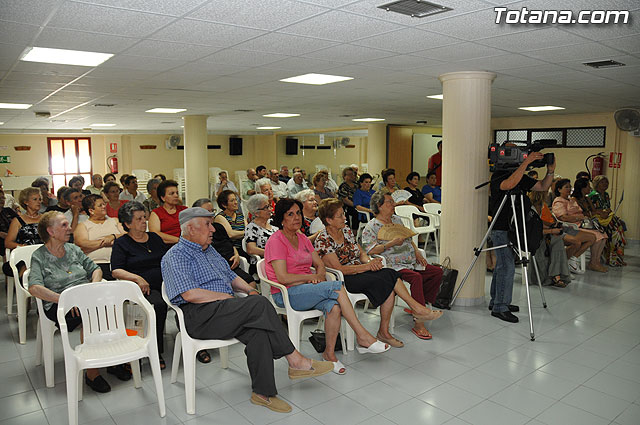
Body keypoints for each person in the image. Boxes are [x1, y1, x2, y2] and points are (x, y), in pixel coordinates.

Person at [162, 207, 333, 412]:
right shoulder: (175, 256)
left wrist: (249, 290)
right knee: (260, 304)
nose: (213, 230)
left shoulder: (210, 250)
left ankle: (263, 393)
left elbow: (231, 276)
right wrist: (226, 297)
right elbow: (189, 294)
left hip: (225, 310)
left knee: (258, 329)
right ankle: (295, 360)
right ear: (190, 228)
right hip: (199, 316)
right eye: (207, 225)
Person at [265, 199, 390, 374]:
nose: (296, 218)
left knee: (335, 307)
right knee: (337, 287)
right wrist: (311, 277)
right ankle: (362, 336)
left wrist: (319, 274)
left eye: (298, 213)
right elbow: (282, 277)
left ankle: (329, 354)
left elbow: (319, 264)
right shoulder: (276, 241)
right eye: (290, 214)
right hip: (286, 293)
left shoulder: (302, 238)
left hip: (308, 288)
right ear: (281, 219)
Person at [316, 198, 442, 348]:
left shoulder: (346, 231)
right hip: (344, 279)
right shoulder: (323, 240)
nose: (345, 218)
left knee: (389, 277)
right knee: (389, 277)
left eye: (344, 214)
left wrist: (368, 261)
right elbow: (340, 269)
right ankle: (414, 311)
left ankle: (386, 330)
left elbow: (361, 252)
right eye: (340, 216)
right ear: (329, 220)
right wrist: (367, 267)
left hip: (359, 271)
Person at [27, 211, 115, 393]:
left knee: (110, 308)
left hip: (85, 297)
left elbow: (96, 269)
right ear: (51, 231)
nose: (70, 229)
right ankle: (92, 373)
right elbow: (34, 287)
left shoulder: (73, 249)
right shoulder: (39, 256)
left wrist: (91, 289)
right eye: (64, 225)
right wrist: (66, 300)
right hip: (59, 303)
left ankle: (110, 359)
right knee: (92, 316)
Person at [362, 190, 444, 339]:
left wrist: (417, 252)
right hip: (392, 265)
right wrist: (390, 244)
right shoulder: (372, 226)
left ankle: (420, 305)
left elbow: (408, 238)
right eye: (389, 202)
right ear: (379, 206)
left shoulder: (397, 220)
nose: (393, 205)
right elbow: (371, 250)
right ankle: (419, 322)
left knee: (437, 272)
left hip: (410, 260)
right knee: (416, 278)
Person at [489, 150, 555, 322]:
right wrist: (525, 164)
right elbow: (509, 184)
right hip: (501, 227)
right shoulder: (498, 175)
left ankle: (497, 300)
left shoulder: (519, 176)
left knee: (502, 266)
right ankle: (500, 307)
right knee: (507, 267)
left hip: (515, 227)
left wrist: (550, 171)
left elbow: (542, 186)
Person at [111, 201, 169, 369]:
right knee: (157, 305)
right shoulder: (122, 243)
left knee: (187, 297)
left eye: (144, 217)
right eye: (139, 219)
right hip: (140, 287)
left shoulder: (155, 238)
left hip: (164, 283)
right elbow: (116, 270)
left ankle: (194, 340)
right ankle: (154, 350)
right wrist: (137, 278)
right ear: (128, 224)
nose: (144, 221)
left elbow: (166, 260)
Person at [195, 198, 257, 289]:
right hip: (214, 271)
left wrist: (236, 255)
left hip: (231, 267)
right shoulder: (196, 234)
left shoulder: (218, 227)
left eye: (212, 211)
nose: (211, 214)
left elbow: (230, 243)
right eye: (207, 211)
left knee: (251, 283)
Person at [552, 178, 607, 272]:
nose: (569, 189)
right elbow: (563, 218)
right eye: (566, 187)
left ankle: (593, 261)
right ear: (559, 189)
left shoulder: (571, 200)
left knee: (603, 235)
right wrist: (580, 218)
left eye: (570, 187)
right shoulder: (559, 201)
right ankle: (584, 261)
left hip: (580, 224)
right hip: (569, 227)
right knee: (595, 236)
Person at [73, 194, 124, 280]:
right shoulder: (83, 226)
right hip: (96, 265)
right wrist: (108, 243)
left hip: (119, 263)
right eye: (100, 205)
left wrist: (113, 236)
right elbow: (83, 245)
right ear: (91, 210)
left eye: (104, 204)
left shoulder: (115, 220)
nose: (104, 206)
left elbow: (127, 236)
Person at [529, 191, 571, 288]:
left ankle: (556, 274)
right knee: (557, 240)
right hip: (533, 237)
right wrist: (552, 230)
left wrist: (552, 226)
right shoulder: (531, 209)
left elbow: (539, 222)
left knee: (557, 240)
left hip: (543, 235)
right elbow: (533, 229)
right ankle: (556, 275)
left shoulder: (542, 206)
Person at [588, 175, 626, 266]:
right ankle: (612, 259)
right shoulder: (593, 195)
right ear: (596, 184)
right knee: (615, 230)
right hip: (597, 219)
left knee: (619, 227)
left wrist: (607, 212)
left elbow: (608, 208)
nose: (605, 184)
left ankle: (616, 257)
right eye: (602, 182)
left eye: (606, 182)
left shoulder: (606, 194)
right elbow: (592, 210)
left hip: (606, 217)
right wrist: (603, 212)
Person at [149, 179, 186, 245]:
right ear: (163, 198)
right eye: (172, 193)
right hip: (167, 247)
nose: (176, 196)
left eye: (177, 193)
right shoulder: (156, 213)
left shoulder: (184, 210)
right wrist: (180, 240)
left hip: (186, 245)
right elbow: (155, 234)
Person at [337, 167, 359, 231]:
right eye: (349, 174)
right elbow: (345, 200)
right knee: (355, 212)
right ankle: (353, 231)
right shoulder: (343, 186)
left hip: (357, 204)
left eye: (352, 174)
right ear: (344, 176)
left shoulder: (356, 185)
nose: (351, 176)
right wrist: (355, 205)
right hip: (348, 206)